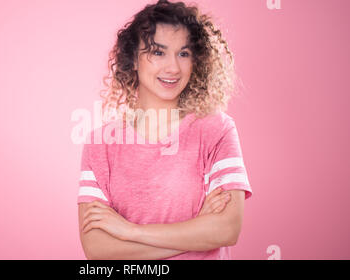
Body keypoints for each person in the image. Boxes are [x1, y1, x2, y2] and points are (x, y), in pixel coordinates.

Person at [77, 0, 252, 260]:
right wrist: (196, 232)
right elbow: (97, 249)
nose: (173, 67)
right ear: (133, 60)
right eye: (158, 52)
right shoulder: (101, 143)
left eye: (183, 53)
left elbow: (227, 229)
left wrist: (129, 231)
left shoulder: (217, 130)